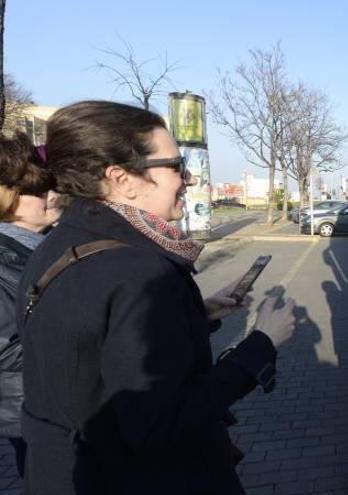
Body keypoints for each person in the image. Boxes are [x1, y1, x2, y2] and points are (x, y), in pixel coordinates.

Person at [15, 101, 296, 495]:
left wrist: (199, 312)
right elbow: (163, 423)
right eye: (176, 166)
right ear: (123, 179)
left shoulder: (58, 244)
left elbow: (96, 351)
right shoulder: (140, 272)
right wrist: (260, 344)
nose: (189, 179)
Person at [0, 133, 62, 478]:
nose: (52, 196)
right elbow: (7, 353)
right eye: (39, 190)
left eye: (51, 185)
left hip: (57, 403)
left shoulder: (44, 245)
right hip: (33, 410)